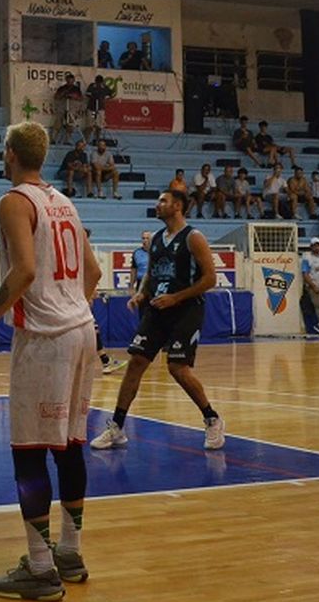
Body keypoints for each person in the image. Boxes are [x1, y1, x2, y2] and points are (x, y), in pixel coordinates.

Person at [0, 121, 101, 602]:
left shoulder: (14, 201)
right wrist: (70, 306)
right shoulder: (66, 202)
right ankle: (70, 552)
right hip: (82, 329)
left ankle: (40, 570)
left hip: (47, 339)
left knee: (29, 452)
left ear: (10, 155)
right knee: (71, 444)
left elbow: (25, 271)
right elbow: (94, 271)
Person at [92, 189, 225, 453]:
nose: (157, 204)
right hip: (157, 308)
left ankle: (212, 418)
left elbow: (210, 279)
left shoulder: (194, 238)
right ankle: (117, 426)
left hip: (186, 309)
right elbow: (150, 274)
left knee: (177, 368)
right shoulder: (154, 239)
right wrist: (141, 293)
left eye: (163, 201)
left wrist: (176, 297)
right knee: (135, 363)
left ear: (177, 206)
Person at [53, 73, 84, 145]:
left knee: (70, 124)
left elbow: (81, 98)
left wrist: (73, 96)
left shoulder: (76, 89)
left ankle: (67, 140)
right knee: (58, 122)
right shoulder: (62, 88)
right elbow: (56, 97)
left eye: (71, 81)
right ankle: (53, 139)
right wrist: (64, 94)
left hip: (72, 108)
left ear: (73, 81)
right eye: (68, 80)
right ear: (66, 80)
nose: (70, 82)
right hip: (62, 107)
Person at [84, 74, 112, 143]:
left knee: (99, 126)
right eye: (97, 82)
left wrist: (104, 98)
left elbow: (109, 95)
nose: (98, 83)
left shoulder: (105, 87)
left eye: (100, 82)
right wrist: (93, 96)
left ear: (102, 82)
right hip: (92, 108)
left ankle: (97, 140)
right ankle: (86, 140)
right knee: (90, 125)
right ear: (95, 81)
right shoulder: (92, 86)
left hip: (100, 109)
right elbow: (87, 94)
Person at [129, 231, 152, 295]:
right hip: (140, 282)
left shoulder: (156, 251)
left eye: (147, 238)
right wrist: (131, 286)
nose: (145, 240)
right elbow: (134, 270)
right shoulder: (137, 253)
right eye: (143, 238)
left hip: (153, 282)